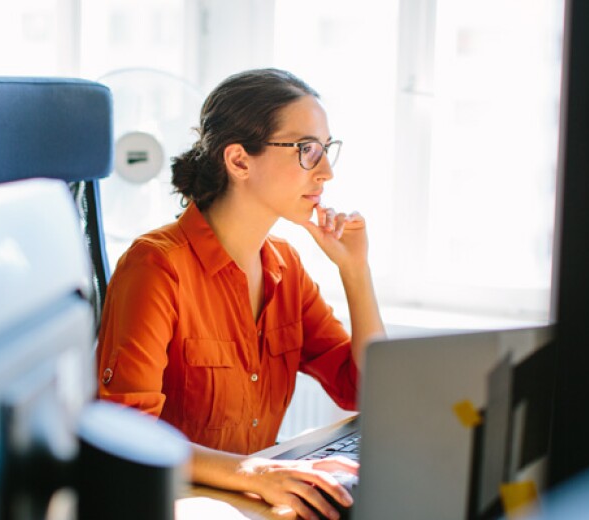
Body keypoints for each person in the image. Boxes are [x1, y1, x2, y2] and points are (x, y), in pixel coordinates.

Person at [96, 68, 385, 519]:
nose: (326, 172)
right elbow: (128, 437)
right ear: (239, 161)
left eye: (327, 150)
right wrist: (252, 472)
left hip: (250, 505)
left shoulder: (285, 267)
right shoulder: (156, 267)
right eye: (307, 150)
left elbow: (365, 391)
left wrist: (355, 270)